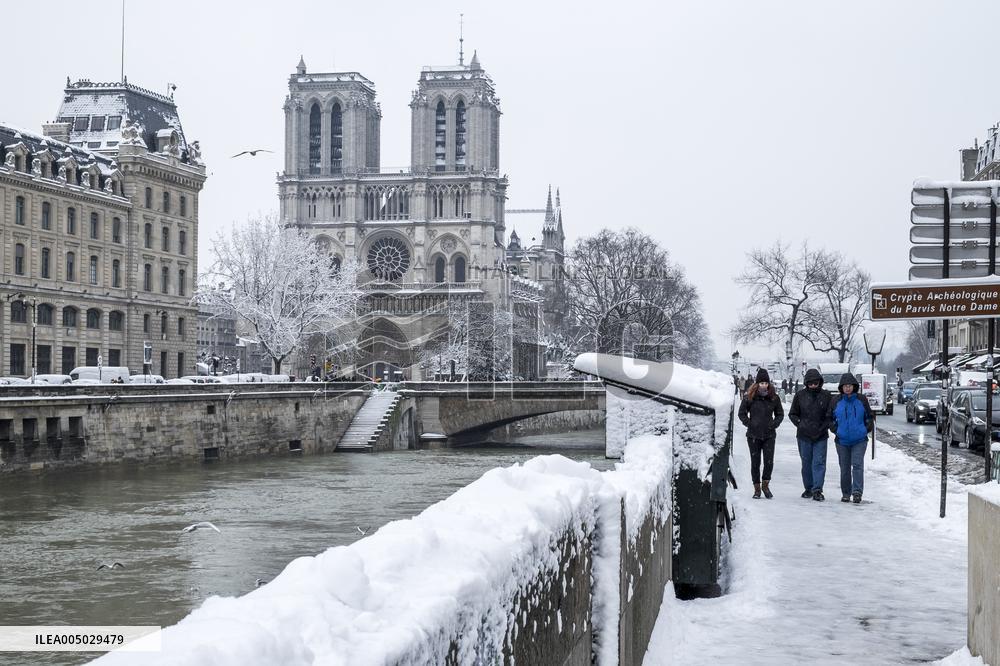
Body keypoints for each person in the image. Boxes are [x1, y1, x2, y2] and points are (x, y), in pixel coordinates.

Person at [738, 368, 784, 499]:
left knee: (769, 462)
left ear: (768, 384)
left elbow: (780, 414)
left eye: (766, 383)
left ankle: (765, 484)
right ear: (757, 384)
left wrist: (774, 424)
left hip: (769, 435)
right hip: (753, 435)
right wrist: (749, 423)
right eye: (761, 383)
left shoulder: (774, 398)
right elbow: (741, 413)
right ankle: (757, 488)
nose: (764, 385)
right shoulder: (749, 397)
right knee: (755, 461)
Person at [828, 373, 874, 503]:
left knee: (857, 465)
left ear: (854, 386)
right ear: (841, 388)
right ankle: (846, 493)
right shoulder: (836, 401)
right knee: (844, 467)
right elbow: (829, 418)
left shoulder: (862, 399)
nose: (847, 388)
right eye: (845, 386)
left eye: (850, 386)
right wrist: (836, 430)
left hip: (859, 439)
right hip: (842, 440)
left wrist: (865, 429)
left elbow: (869, 416)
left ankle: (857, 492)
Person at [789, 368, 832, 501]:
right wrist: (800, 424)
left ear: (820, 382)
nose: (813, 385)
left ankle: (817, 489)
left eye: (816, 383)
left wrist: (823, 427)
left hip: (821, 435)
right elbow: (793, 413)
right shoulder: (800, 395)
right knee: (806, 463)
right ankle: (808, 488)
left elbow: (829, 415)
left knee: (819, 463)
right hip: (804, 435)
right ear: (807, 383)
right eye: (811, 383)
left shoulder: (826, 396)